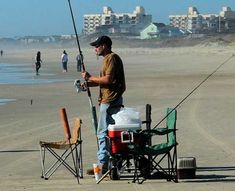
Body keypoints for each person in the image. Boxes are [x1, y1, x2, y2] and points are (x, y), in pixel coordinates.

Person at [81, 35, 126, 174]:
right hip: (110, 99)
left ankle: (101, 166)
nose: (95, 49)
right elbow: (104, 81)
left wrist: (90, 77)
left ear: (104, 46)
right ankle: (109, 164)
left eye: (97, 46)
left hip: (110, 100)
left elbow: (108, 79)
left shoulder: (111, 58)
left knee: (102, 133)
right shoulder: (108, 59)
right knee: (109, 133)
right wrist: (88, 84)